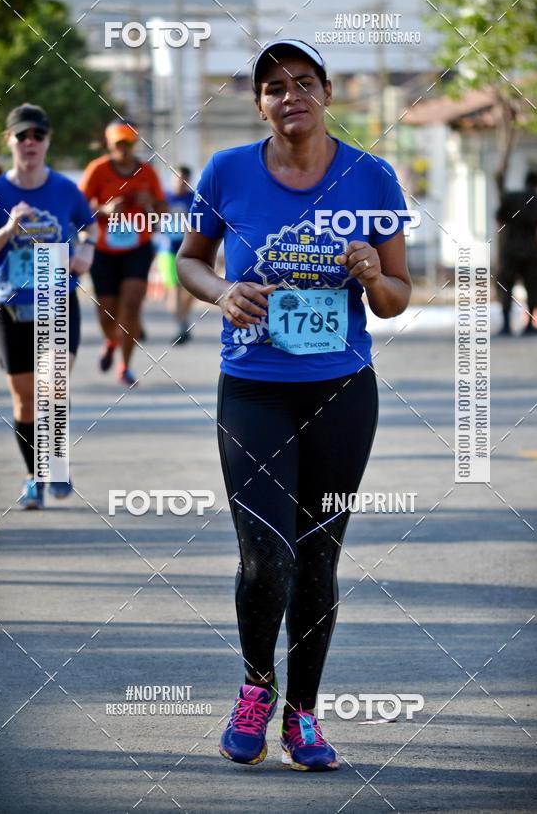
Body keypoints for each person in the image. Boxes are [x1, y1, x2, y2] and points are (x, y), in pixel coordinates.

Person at [177, 40, 411, 771]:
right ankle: (256, 689)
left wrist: (375, 274)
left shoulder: (371, 176)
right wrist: (222, 293)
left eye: (303, 83)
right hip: (253, 387)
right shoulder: (228, 171)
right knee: (265, 557)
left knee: (318, 559)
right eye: (273, 87)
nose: (290, 96)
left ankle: (303, 717)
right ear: (259, 103)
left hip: (341, 389)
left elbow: (398, 295)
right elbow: (188, 259)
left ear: (327, 93)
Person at [0, 103, 97, 508]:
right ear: (9, 141)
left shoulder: (64, 190)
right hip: (12, 307)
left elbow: (89, 224)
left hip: (57, 301)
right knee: (24, 399)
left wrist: (87, 250)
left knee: (51, 389)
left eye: (38, 135)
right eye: (22, 135)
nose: (30, 142)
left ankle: (54, 464)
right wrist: (8, 228)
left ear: (48, 141)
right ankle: (33, 475)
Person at [79, 120, 166, 385]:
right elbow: (78, 211)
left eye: (127, 143)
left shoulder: (147, 172)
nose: (123, 149)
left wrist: (149, 202)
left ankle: (125, 367)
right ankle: (110, 340)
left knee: (131, 304)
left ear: (134, 144)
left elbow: (163, 211)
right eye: (118, 144)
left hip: (137, 246)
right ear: (110, 144)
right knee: (107, 309)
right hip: (103, 248)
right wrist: (103, 210)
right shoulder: (97, 170)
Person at [496, 169, 537, 336]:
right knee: (533, 286)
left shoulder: (511, 198)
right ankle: (530, 326)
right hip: (531, 250)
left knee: (506, 287)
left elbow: (499, 217)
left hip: (511, 249)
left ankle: (506, 325)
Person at [156, 165, 196, 344]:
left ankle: (183, 322)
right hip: (167, 250)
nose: (180, 183)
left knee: (189, 291)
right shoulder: (163, 198)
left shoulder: (194, 199)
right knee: (173, 289)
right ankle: (181, 326)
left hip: (188, 250)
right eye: (177, 179)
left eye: (183, 180)